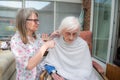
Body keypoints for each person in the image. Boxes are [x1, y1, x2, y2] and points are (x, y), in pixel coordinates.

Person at [10, 8, 55, 80]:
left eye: (37, 20)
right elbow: (28, 65)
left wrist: (53, 36)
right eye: (34, 20)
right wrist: (45, 46)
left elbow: (44, 48)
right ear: (24, 21)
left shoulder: (35, 37)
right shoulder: (16, 41)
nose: (38, 23)